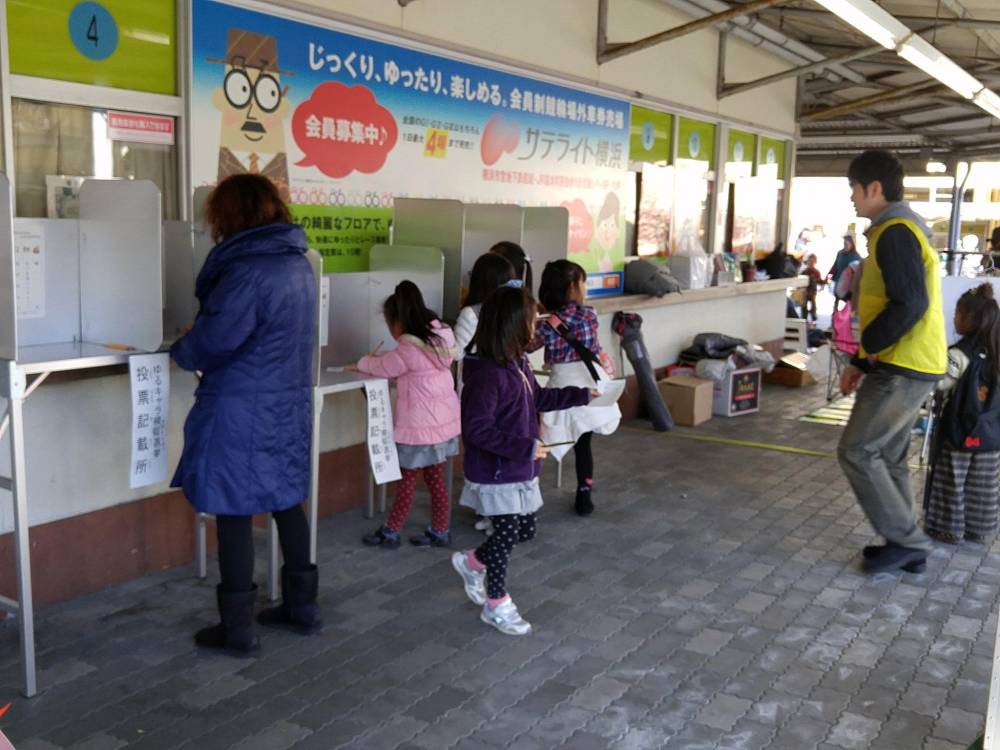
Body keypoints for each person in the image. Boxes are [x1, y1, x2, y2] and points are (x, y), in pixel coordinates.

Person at [171, 174, 319, 654]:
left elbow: (215, 342)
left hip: (239, 406)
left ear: (230, 215)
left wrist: (183, 346)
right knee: (286, 500)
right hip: (286, 403)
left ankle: (238, 631)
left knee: (232, 507)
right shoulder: (298, 265)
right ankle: (303, 608)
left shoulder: (245, 271)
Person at [450, 286, 592, 635]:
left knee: (524, 530)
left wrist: (582, 395)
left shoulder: (517, 363)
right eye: (531, 321)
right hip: (497, 471)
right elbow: (476, 430)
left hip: (519, 466)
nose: (535, 328)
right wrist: (523, 447)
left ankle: (472, 562)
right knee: (506, 534)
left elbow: (537, 398)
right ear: (512, 325)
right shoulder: (486, 374)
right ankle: (496, 604)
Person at [837, 149, 947, 575]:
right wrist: (862, 361)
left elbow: (909, 303)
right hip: (910, 361)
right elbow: (893, 304)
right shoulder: (894, 230)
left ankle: (907, 540)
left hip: (904, 365)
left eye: (854, 188)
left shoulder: (896, 233)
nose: (852, 197)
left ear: (874, 188)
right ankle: (907, 547)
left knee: (858, 449)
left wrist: (869, 348)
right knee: (889, 454)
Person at [354, 281, 461, 549]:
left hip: (418, 430)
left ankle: (391, 532)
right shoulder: (438, 339)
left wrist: (362, 362)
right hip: (441, 427)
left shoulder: (408, 349)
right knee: (435, 480)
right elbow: (402, 362)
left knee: (407, 481)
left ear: (399, 321)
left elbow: (385, 367)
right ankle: (440, 530)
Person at [530, 260, 621, 516]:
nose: (584, 287)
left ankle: (529, 488)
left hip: (561, 388)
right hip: (587, 386)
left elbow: (528, 345)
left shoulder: (547, 324)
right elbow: (593, 346)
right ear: (572, 287)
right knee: (583, 443)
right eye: (582, 282)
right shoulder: (589, 315)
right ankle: (584, 492)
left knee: (542, 440)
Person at [925, 284, 1000, 544]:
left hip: (958, 432)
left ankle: (949, 529)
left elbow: (940, 384)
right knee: (984, 483)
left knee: (952, 480)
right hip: (992, 434)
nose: (954, 318)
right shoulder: (997, 354)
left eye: (957, 313)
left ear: (970, 319)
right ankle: (979, 528)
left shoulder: (958, 354)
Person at [454, 253, 516, 360]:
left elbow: (457, 354)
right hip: (505, 369)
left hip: (479, 369)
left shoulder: (471, 314)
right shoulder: (512, 311)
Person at [803, 253, 823, 322]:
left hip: (813, 292)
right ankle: (804, 317)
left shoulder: (817, 272)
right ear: (807, 262)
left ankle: (813, 316)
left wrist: (825, 281)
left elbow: (820, 281)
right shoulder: (804, 272)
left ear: (815, 262)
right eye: (809, 261)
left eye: (812, 261)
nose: (811, 263)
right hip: (805, 292)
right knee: (804, 306)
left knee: (813, 305)